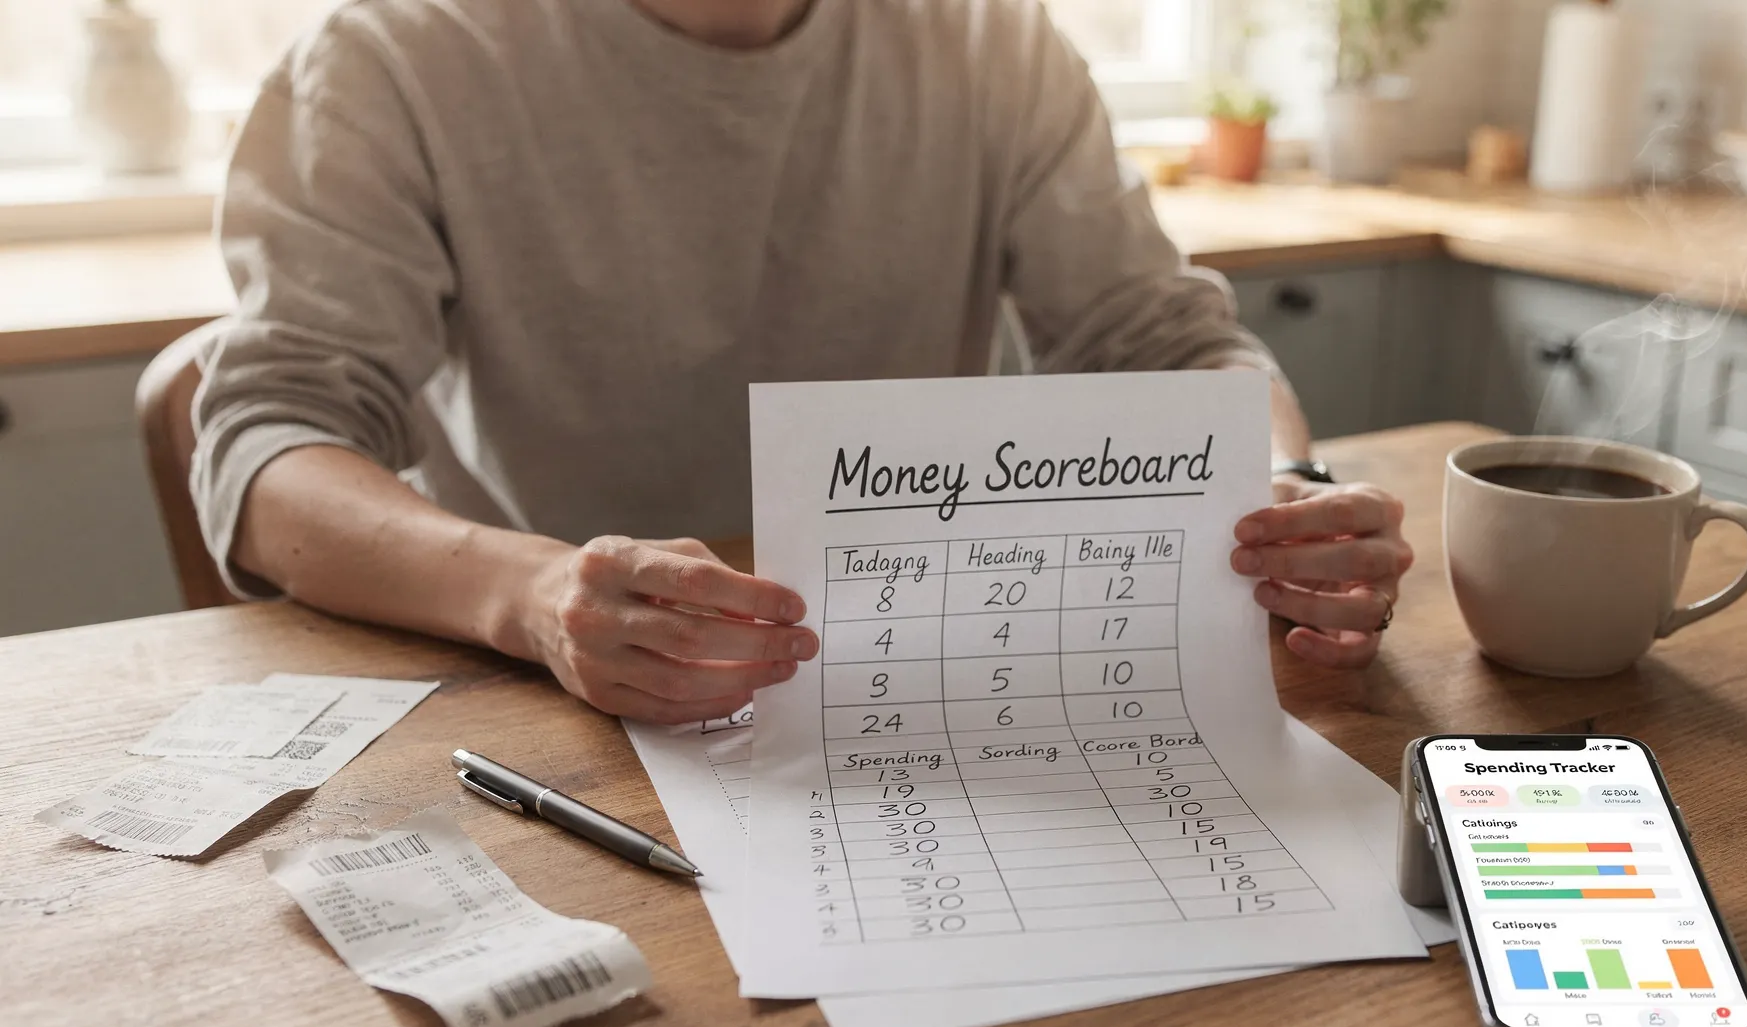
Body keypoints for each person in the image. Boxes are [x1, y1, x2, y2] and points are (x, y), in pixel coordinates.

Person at [193, 0, 1414, 725]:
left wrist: (1283, 491)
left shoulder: (991, 37)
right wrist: (529, 598)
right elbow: (268, 452)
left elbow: (1167, 341)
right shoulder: (394, 54)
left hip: (933, 686)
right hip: (543, 711)